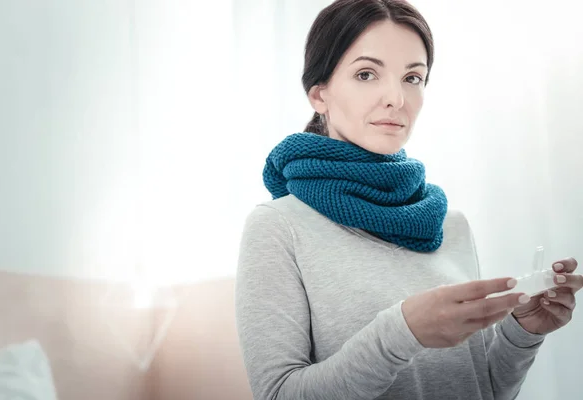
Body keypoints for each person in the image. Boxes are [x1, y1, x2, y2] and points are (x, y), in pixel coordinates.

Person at [234, 1, 582, 399]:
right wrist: (402, 333)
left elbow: (479, 388)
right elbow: (278, 394)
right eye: (366, 74)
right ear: (319, 94)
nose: (396, 99)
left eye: (412, 78)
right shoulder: (278, 228)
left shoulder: (451, 224)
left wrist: (523, 332)